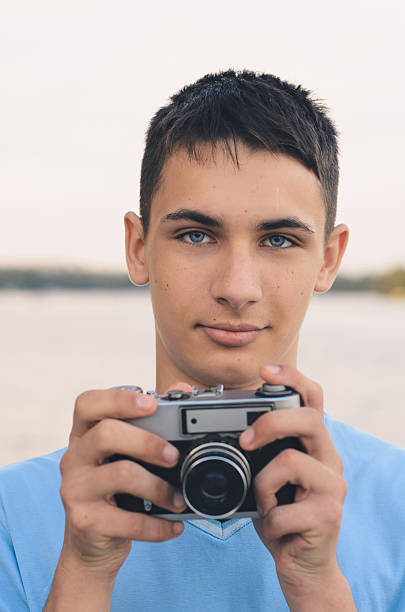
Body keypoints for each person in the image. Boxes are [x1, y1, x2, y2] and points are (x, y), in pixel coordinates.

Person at [1, 69, 405, 612]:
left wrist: (319, 588)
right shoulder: (17, 511)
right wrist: (84, 572)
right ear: (139, 247)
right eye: (196, 235)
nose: (237, 289)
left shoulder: (396, 502)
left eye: (279, 239)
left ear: (329, 259)